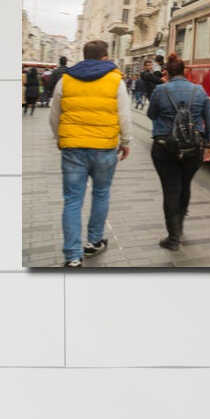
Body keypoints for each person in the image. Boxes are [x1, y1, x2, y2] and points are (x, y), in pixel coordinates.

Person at [46, 40, 130, 268]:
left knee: (72, 200)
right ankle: (94, 242)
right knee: (101, 193)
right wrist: (126, 141)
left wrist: (60, 139)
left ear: (84, 56)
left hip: (73, 149)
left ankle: (73, 256)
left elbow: (55, 114)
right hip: (104, 149)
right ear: (105, 57)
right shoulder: (116, 80)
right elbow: (124, 115)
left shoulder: (66, 79)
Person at [146, 55, 210, 251]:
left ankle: (173, 237)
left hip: (164, 147)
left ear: (167, 72)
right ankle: (180, 226)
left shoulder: (160, 90)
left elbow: (151, 114)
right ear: (185, 71)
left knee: (170, 189)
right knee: (185, 185)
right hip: (193, 148)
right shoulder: (199, 91)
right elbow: (209, 122)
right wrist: (209, 146)